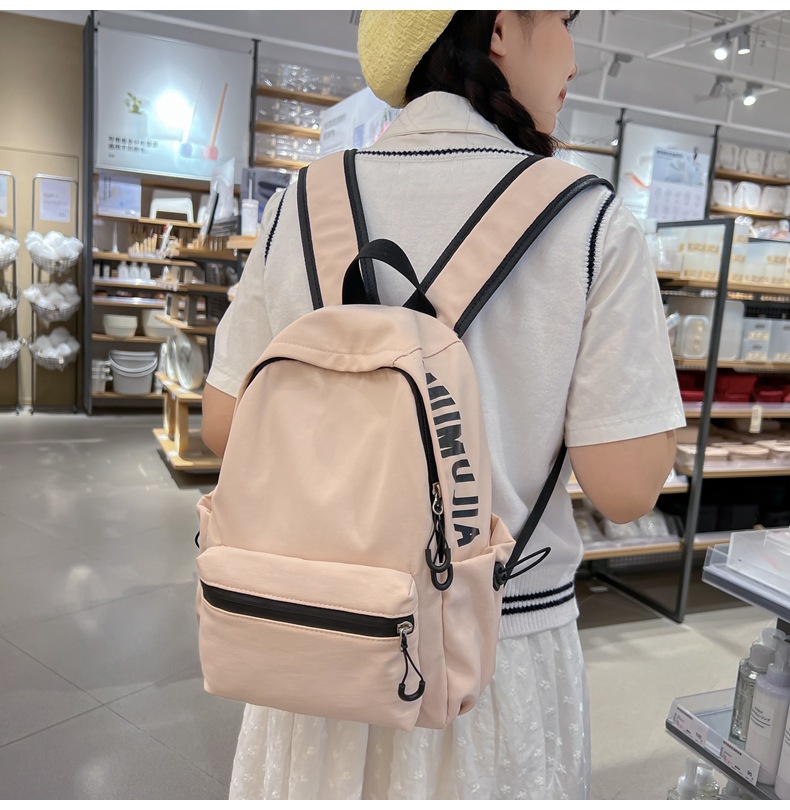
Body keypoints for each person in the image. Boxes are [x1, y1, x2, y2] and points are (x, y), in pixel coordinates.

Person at [201, 10, 685, 800]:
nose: (574, 56)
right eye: (563, 19)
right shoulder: (589, 218)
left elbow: (225, 425)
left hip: (316, 633)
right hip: (490, 653)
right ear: (499, 28)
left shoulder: (303, 203)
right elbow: (626, 488)